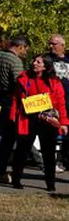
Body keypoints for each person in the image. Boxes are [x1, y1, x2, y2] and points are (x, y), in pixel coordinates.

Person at [10, 53, 69, 192]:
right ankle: (16, 179)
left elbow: (61, 104)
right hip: (28, 118)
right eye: (34, 60)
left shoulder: (55, 82)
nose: (34, 63)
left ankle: (50, 182)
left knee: (49, 153)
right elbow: (16, 99)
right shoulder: (24, 78)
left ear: (45, 66)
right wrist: (13, 115)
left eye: (38, 62)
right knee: (22, 150)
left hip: (48, 120)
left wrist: (64, 123)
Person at [0, 37, 29, 184]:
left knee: (6, 139)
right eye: (25, 50)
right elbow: (19, 82)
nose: (25, 53)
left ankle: (0, 170)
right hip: (11, 101)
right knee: (12, 139)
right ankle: (2, 171)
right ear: (21, 47)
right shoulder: (15, 61)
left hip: (0, 99)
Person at [47, 35, 69, 171]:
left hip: (68, 101)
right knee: (51, 132)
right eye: (50, 43)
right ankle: (50, 162)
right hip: (52, 102)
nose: (51, 46)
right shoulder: (47, 59)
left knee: (67, 134)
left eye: (54, 43)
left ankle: (65, 160)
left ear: (62, 45)